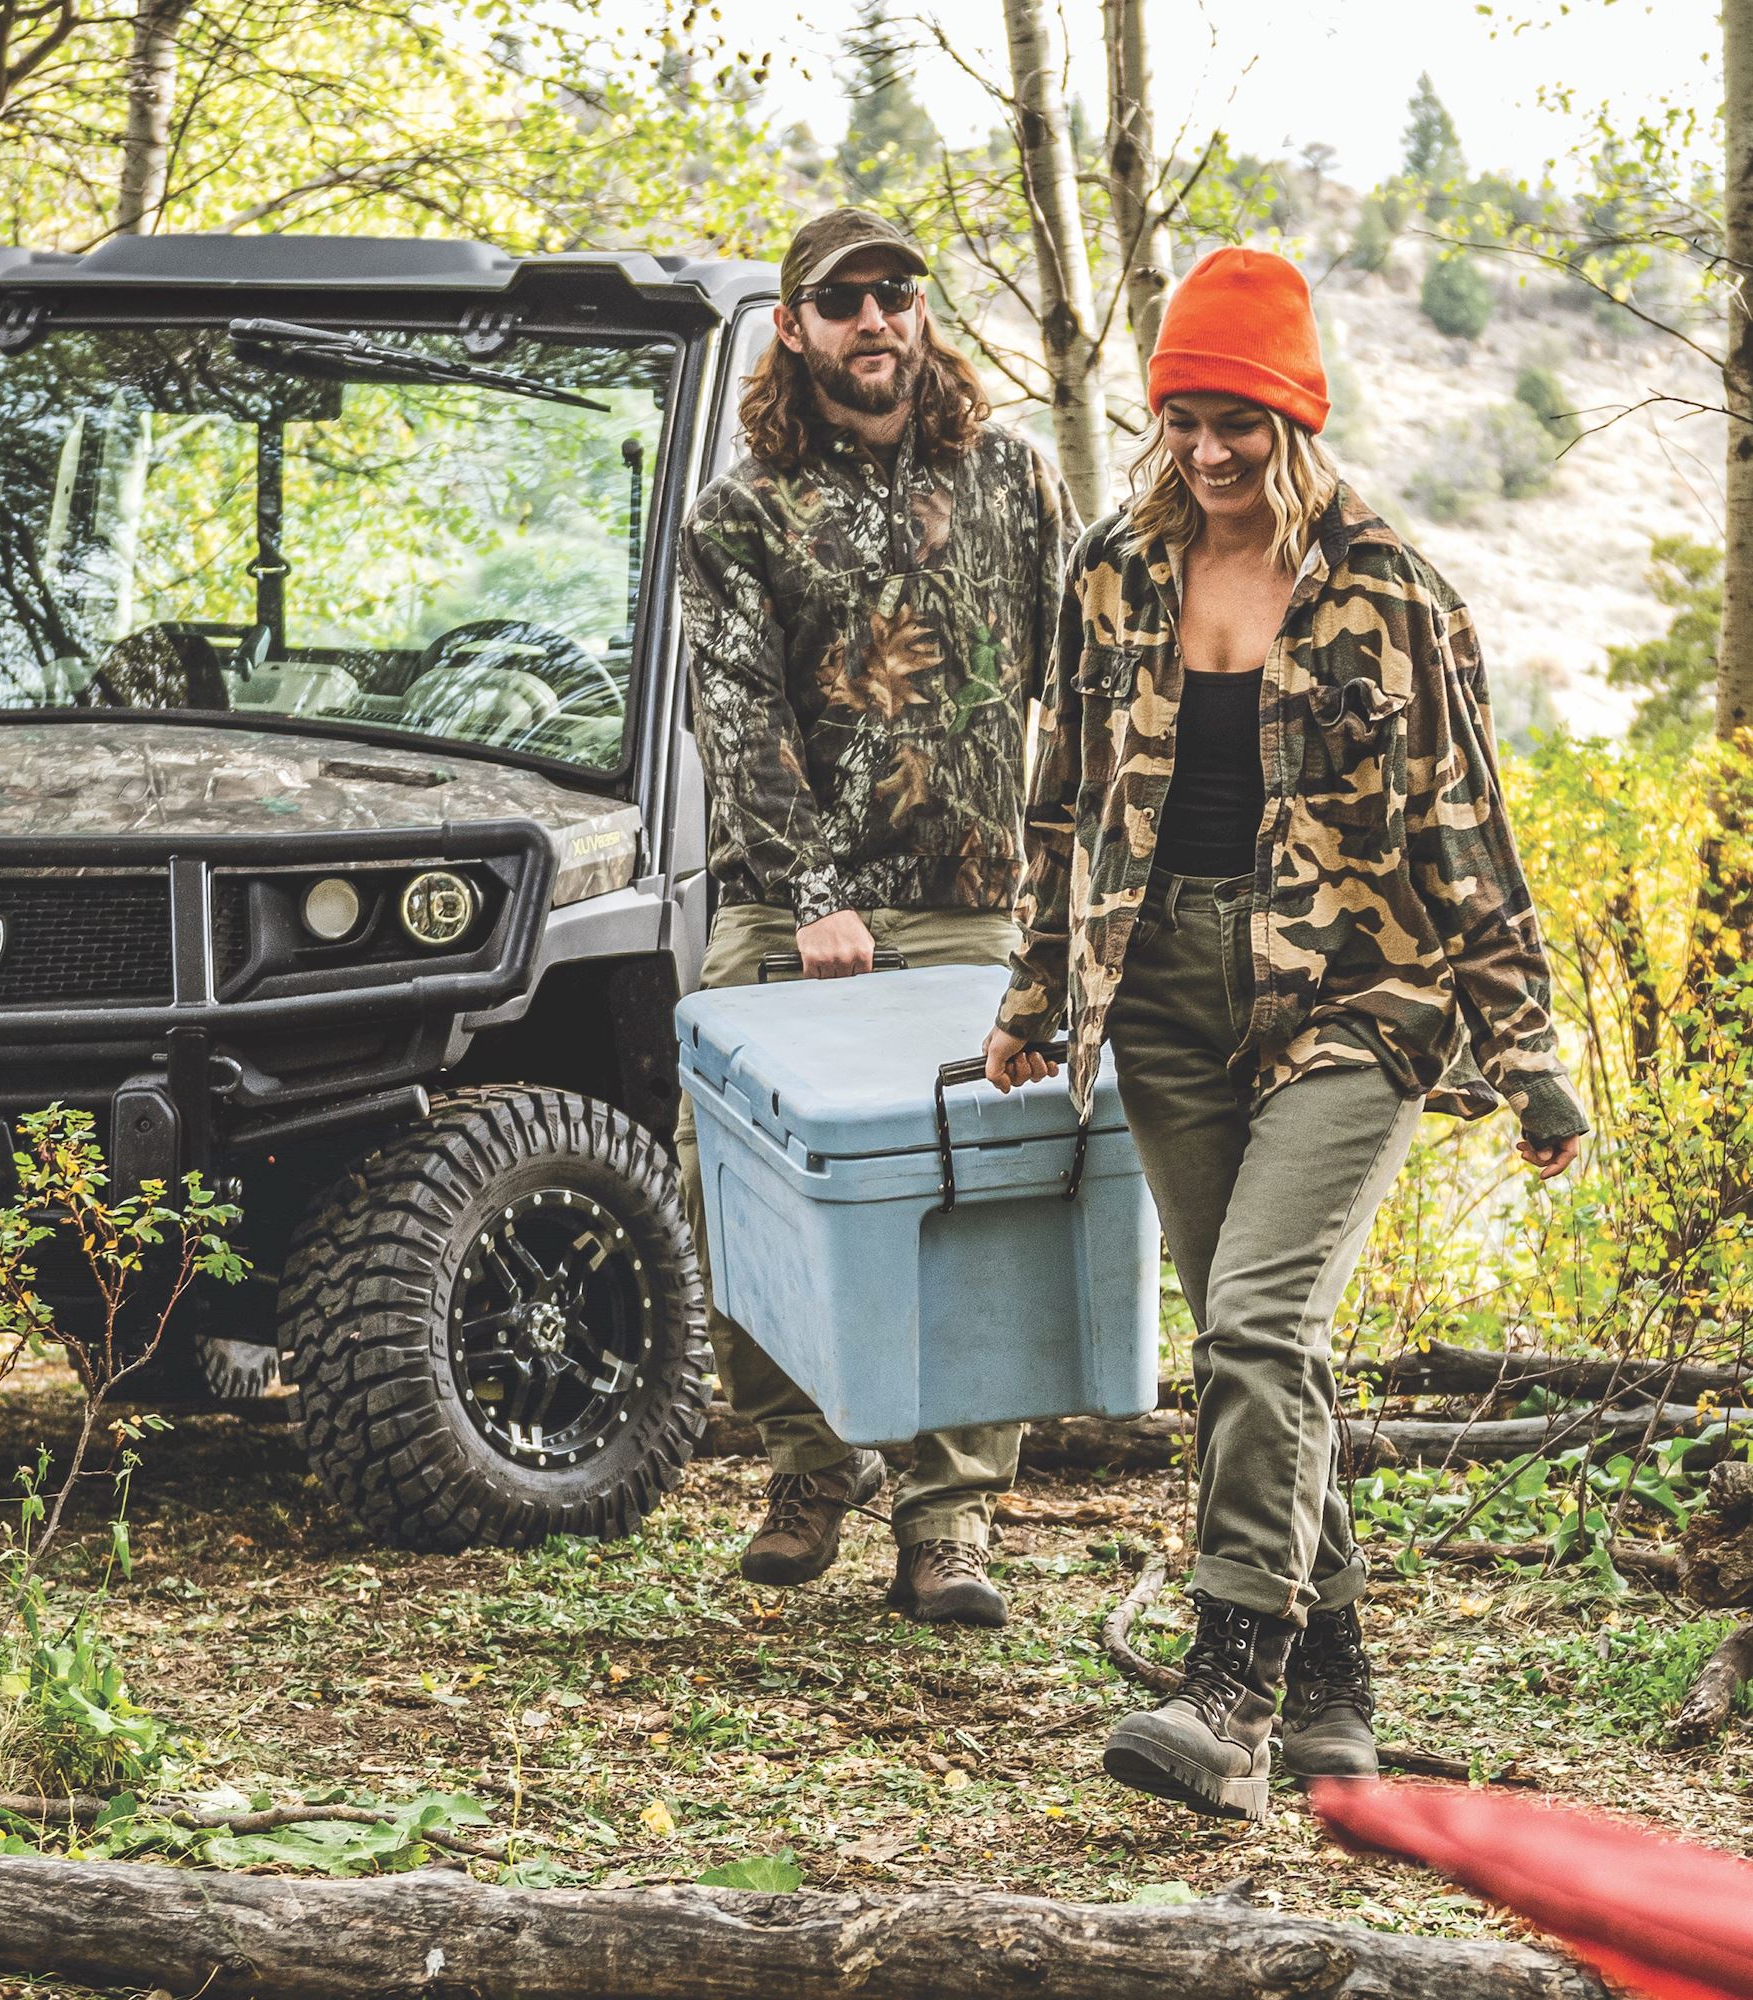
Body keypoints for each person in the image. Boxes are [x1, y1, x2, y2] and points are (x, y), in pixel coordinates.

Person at [983, 246, 1587, 1816]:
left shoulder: (1392, 589)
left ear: (1293, 417)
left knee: (1255, 1319)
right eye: (1184, 415)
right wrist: (1037, 1003)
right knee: (1259, 1343)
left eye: (1238, 418)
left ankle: (1231, 1692)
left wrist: (1529, 1061)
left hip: (1358, 996)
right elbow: (1065, 807)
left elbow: (1469, 836)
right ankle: (1337, 1697)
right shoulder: (1116, 572)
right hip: (1164, 993)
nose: (1209, 449)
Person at [676, 207, 1078, 1624]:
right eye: (840, 300)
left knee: (983, 1199)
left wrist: (1070, 891)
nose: (873, 320)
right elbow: (736, 721)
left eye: (894, 293)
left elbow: (1073, 690)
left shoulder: (1013, 481)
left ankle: (950, 1517)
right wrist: (815, 896)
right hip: (796, 918)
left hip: (974, 910)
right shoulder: (739, 513)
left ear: (922, 312)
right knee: (737, 1178)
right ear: (793, 326)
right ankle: (809, 1461)